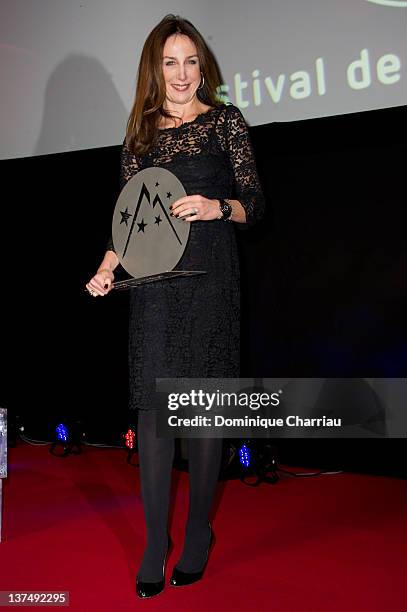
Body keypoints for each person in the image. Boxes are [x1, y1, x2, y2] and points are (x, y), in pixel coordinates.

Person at [85, 14, 265, 599]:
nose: (182, 73)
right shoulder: (141, 134)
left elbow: (255, 203)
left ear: (201, 66)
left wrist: (218, 207)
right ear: (154, 69)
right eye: (170, 62)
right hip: (158, 284)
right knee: (157, 416)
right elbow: (126, 218)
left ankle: (196, 535)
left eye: (191, 61)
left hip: (212, 277)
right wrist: (108, 268)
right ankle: (153, 544)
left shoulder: (225, 123)